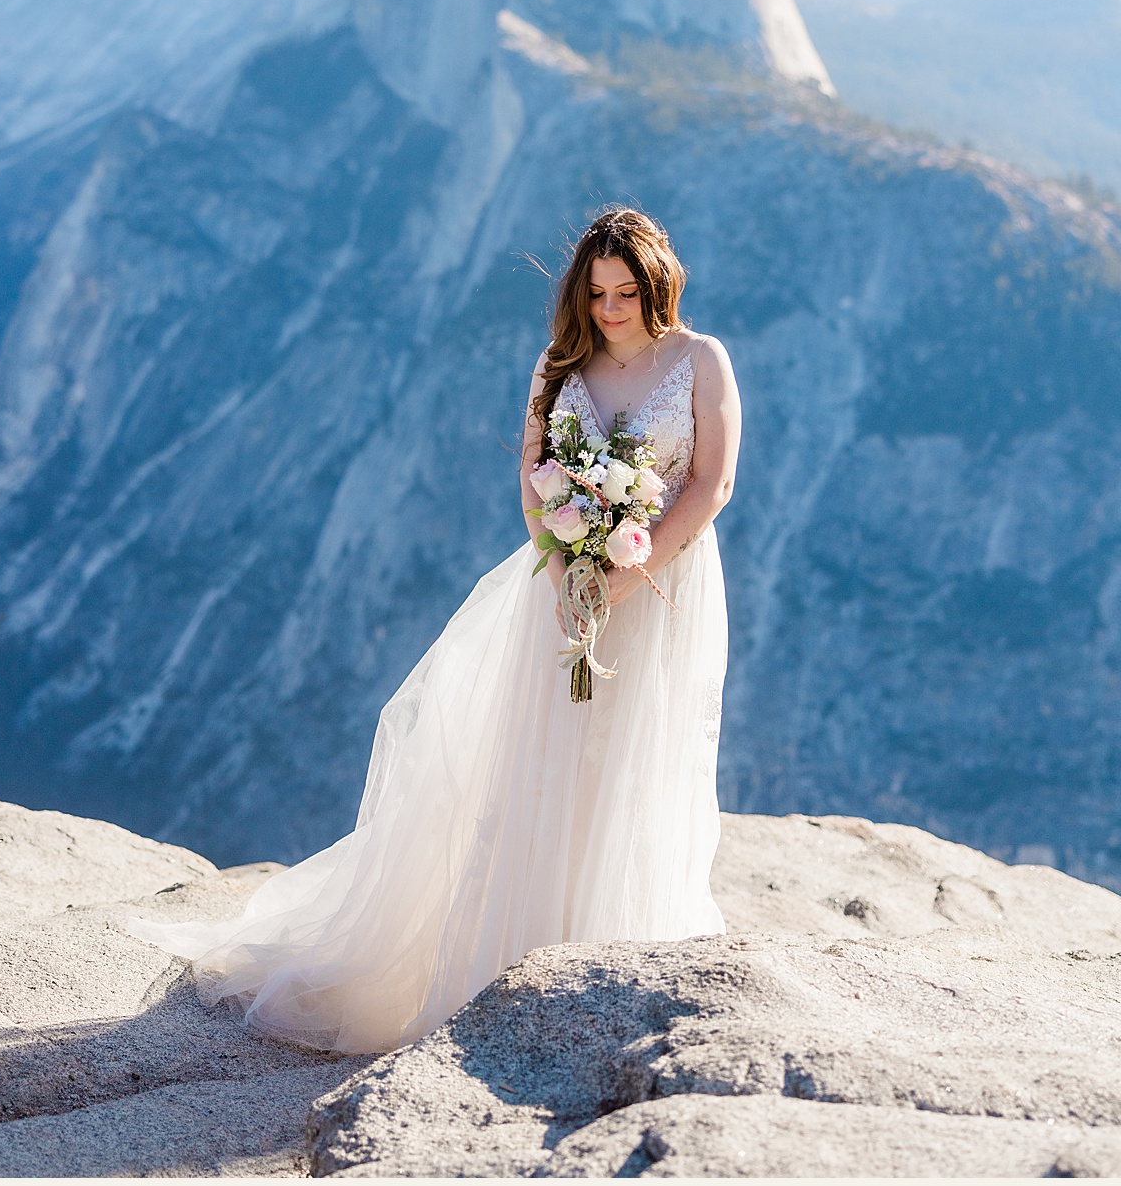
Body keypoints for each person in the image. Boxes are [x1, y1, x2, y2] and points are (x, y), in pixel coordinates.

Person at [133, 208, 741, 1053]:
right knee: (544, 761)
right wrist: (571, 570)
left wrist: (628, 577)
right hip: (564, 587)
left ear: (657, 283)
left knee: (637, 759)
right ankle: (510, 961)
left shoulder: (701, 360)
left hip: (662, 586)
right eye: (596, 292)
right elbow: (535, 480)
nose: (608, 308)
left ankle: (615, 950)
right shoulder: (558, 364)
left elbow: (710, 485)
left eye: (625, 292)